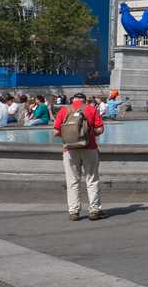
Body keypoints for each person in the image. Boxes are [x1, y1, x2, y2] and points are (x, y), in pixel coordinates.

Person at [53, 93, 106, 221]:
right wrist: (88, 134)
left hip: (69, 150)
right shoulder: (91, 109)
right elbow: (100, 129)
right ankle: (94, 210)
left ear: (73, 100)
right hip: (89, 148)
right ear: (84, 100)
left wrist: (69, 137)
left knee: (72, 181)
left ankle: (74, 212)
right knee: (92, 179)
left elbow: (55, 132)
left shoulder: (64, 110)